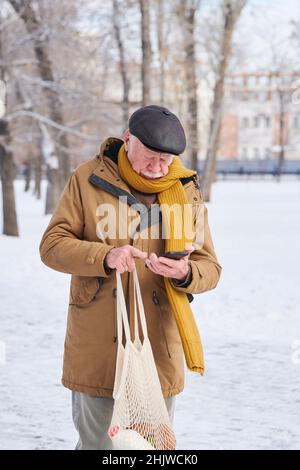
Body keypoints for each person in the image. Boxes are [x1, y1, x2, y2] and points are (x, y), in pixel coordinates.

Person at [39, 104, 222, 450]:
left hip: (157, 347)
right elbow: (52, 246)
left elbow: (209, 267)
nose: (158, 168)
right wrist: (104, 255)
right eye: (150, 157)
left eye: (166, 161)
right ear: (127, 140)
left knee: (151, 448)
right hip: (98, 345)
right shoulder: (86, 179)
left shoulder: (184, 191)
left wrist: (185, 272)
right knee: (101, 446)